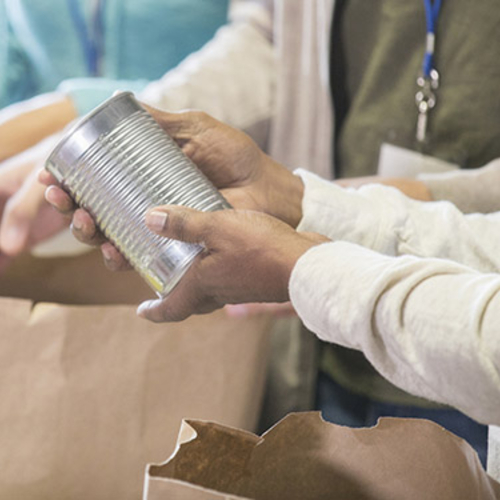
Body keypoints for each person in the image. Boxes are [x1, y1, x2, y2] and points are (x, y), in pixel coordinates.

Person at [10, 0, 500, 462]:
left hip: (463, 367)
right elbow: (272, 39)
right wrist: (295, 201)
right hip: (326, 352)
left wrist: (302, 263)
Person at [0, 0, 229, 262]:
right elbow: (13, 56)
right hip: (51, 217)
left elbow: (257, 62)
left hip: (200, 210)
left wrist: (81, 119)